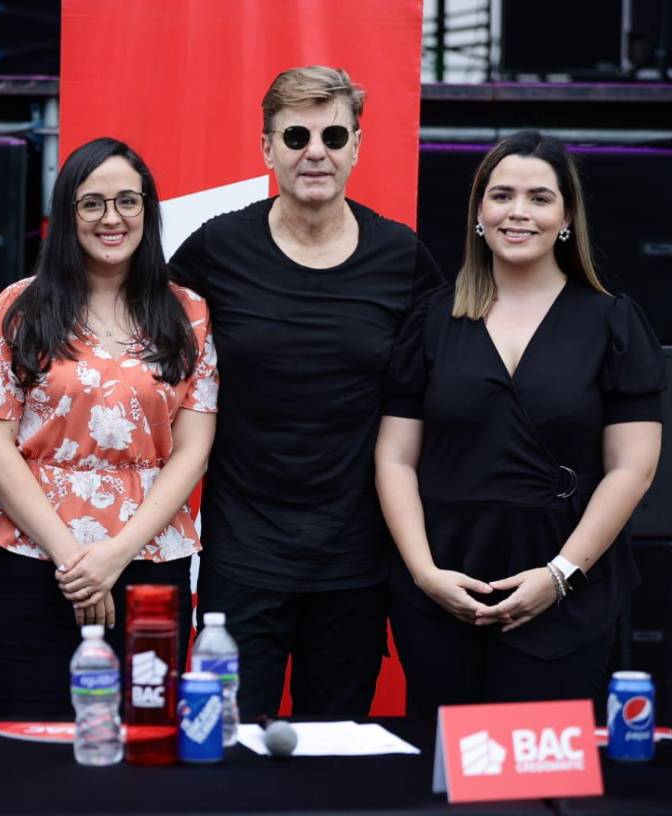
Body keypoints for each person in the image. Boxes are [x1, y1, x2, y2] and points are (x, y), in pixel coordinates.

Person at [169, 66, 443, 720]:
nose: (314, 150)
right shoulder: (217, 246)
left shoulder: (400, 255)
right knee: (231, 748)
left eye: (332, 134)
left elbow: (450, 376)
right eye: (295, 134)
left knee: (335, 757)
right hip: (242, 552)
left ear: (356, 146)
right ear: (267, 149)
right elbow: (133, 337)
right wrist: (32, 345)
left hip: (355, 557)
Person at [375, 131, 666, 717]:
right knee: (441, 777)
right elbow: (394, 457)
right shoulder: (432, 317)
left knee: (538, 786)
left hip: (563, 583)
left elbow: (632, 467)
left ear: (565, 217)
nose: (518, 213)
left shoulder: (612, 321)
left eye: (539, 198)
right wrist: (425, 573)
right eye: (502, 195)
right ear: (479, 212)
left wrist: (559, 576)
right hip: (441, 582)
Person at [0, 137, 218, 717]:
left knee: (139, 741)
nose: (112, 218)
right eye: (92, 203)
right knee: (18, 742)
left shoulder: (188, 312)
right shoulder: (20, 305)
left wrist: (114, 554)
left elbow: (193, 450)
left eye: (128, 201)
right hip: (22, 556)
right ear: (67, 213)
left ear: (148, 211)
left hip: (148, 556)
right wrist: (74, 559)